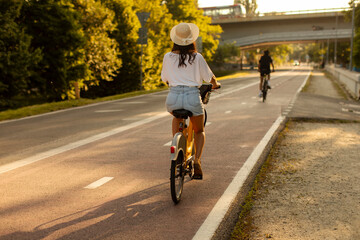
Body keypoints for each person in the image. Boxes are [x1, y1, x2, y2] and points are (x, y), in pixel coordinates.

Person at [161, 22, 220, 179]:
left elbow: (165, 78)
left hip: (173, 97)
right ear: (191, 40)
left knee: (176, 117)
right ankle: (197, 161)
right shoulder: (197, 57)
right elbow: (210, 77)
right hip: (192, 97)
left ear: (175, 40)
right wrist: (214, 84)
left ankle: (176, 144)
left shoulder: (167, 57)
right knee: (199, 130)